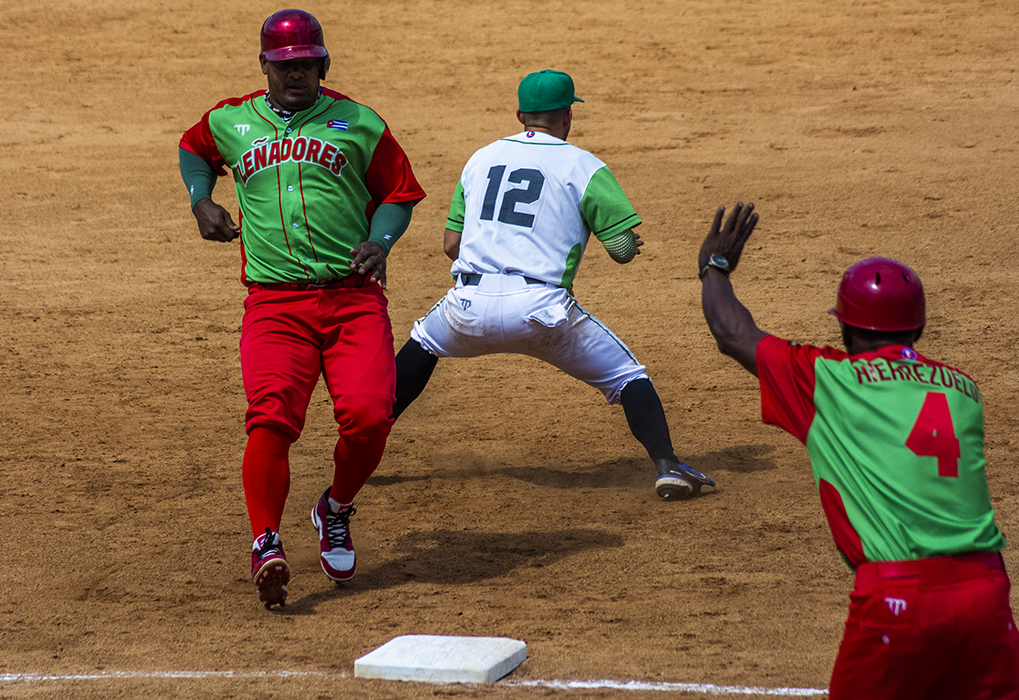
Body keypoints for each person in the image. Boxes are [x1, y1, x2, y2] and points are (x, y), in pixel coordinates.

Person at [699, 202, 1019, 698]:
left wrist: (714, 268)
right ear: (919, 328)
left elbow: (732, 332)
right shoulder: (964, 391)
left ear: (846, 329)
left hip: (899, 596)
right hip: (987, 595)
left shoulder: (829, 379)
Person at [177, 9, 425, 609]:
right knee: (270, 420)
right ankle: (266, 541)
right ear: (264, 65)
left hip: (352, 301)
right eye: (284, 65)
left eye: (307, 64)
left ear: (323, 64)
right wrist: (200, 199)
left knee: (370, 417)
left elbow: (399, 193)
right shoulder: (230, 120)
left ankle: (333, 507)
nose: (296, 74)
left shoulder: (359, 122)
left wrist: (381, 241)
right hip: (274, 305)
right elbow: (192, 148)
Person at [392, 69, 714, 501]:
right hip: (542, 311)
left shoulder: (480, 158)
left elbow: (452, 245)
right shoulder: (584, 165)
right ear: (567, 116)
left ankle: (358, 441)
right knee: (628, 378)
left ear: (521, 113)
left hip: (467, 306)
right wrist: (626, 244)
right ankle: (667, 466)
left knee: (423, 345)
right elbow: (619, 247)